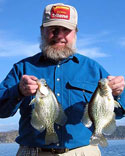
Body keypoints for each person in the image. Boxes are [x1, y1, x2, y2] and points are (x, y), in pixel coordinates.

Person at [0, 3, 125, 156]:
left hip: (83, 151)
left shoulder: (93, 68)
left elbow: (119, 112)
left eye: (66, 30)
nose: (59, 35)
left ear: (75, 33)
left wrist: (119, 93)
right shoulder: (22, 68)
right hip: (33, 151)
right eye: (53, 29)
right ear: (42, 31)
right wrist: (18, 91)